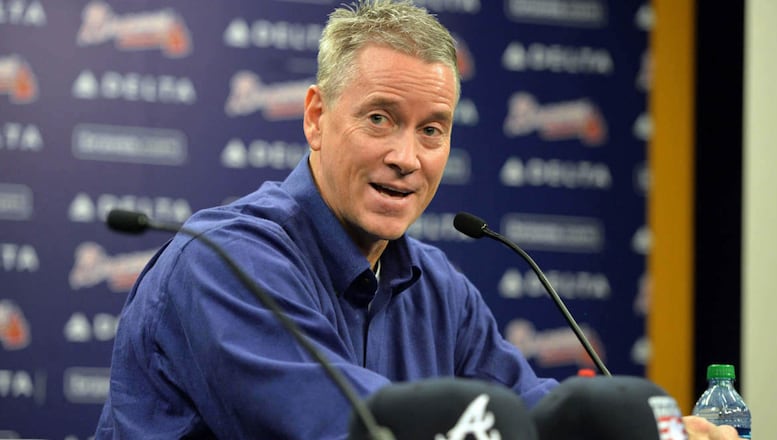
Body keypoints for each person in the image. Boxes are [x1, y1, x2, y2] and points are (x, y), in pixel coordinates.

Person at [94, 1, 739, 439]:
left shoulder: (436, 285)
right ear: (316, 118)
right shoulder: (226, 261)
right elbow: (358, 424)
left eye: (432, 130)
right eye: (379, 118)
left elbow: (525, 410)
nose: (406, 158)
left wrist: (663, 431)